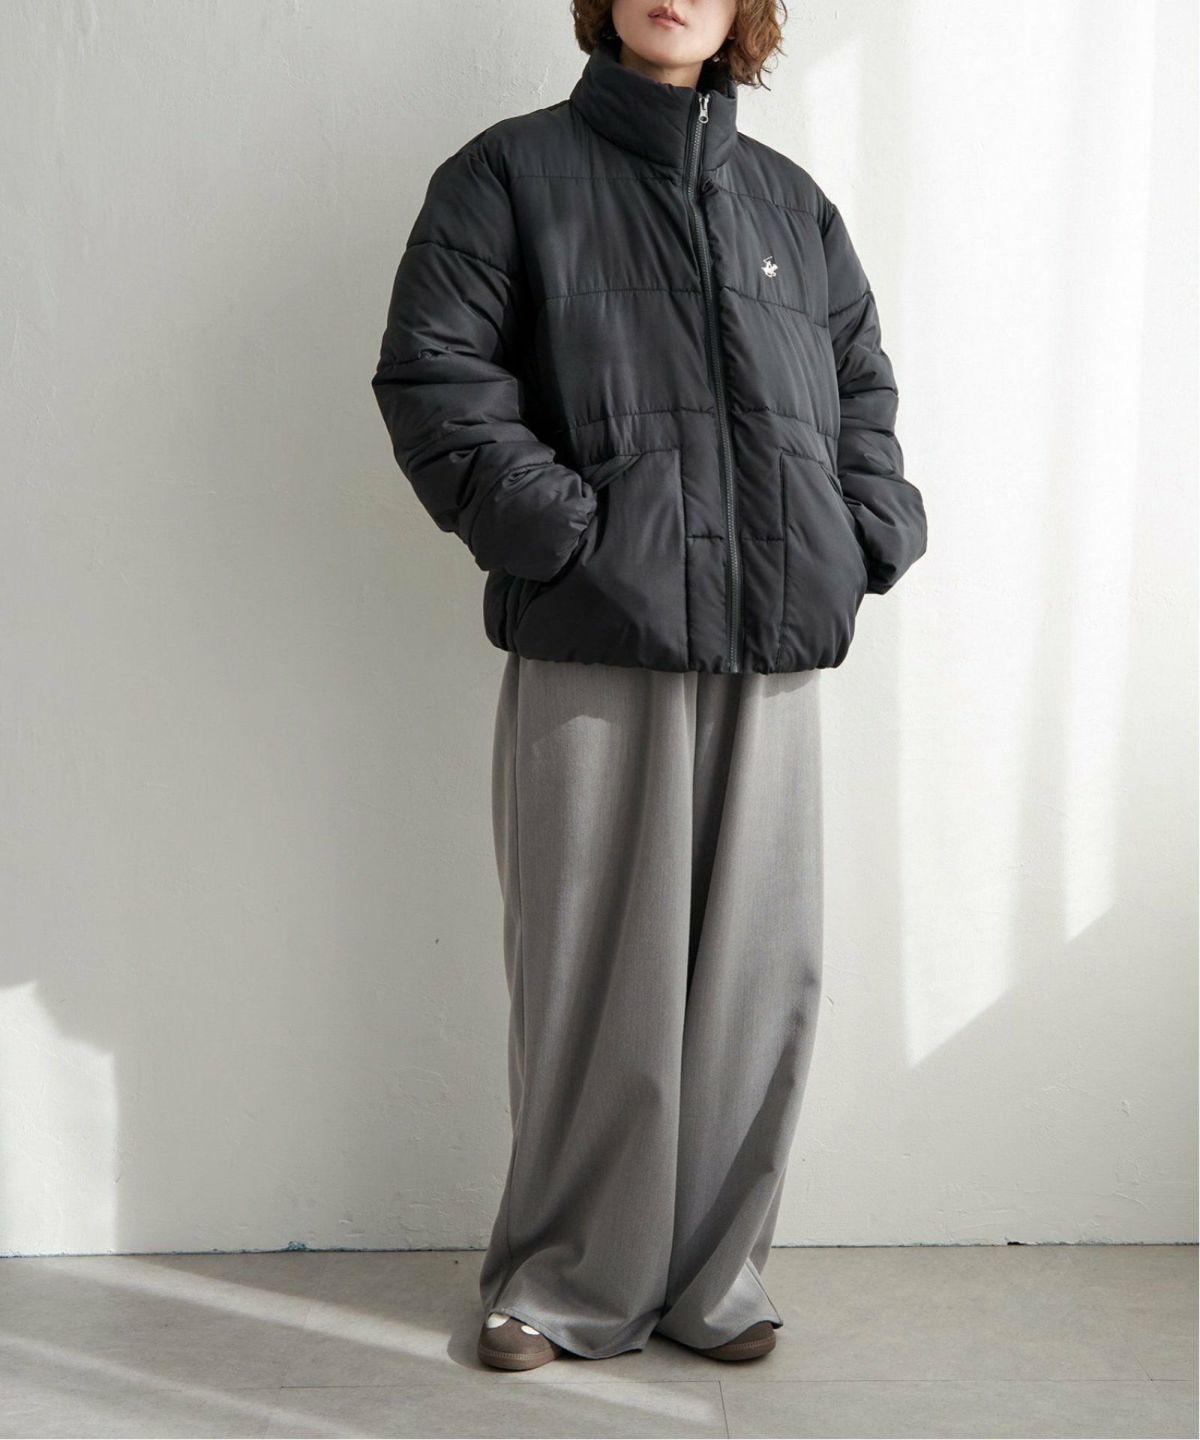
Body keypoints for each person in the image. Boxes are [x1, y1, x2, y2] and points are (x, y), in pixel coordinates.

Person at [371, 0, 927, 1372]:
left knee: (761, 978)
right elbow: (435, 379)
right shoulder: (507, 174)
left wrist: (863, 535)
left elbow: (862, 392)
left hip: (773, 637)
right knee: (588, 974)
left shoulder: (792, 204)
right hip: (597, 636)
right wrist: (576, 537)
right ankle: (566, 1280)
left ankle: (715, 1279)